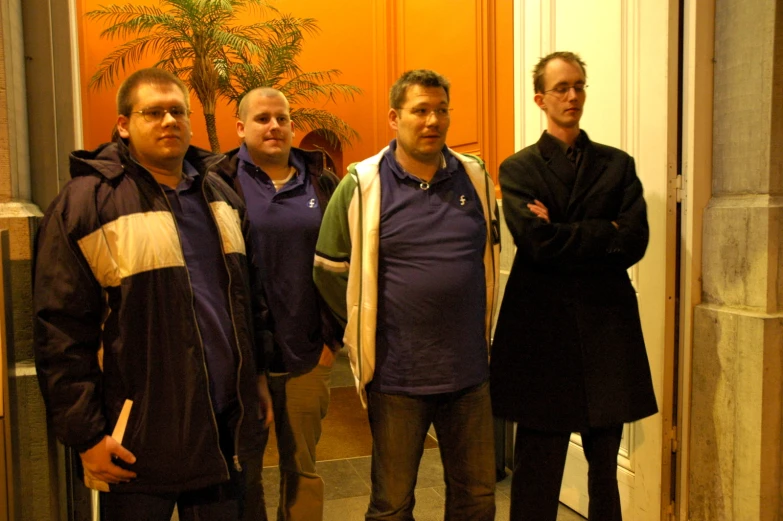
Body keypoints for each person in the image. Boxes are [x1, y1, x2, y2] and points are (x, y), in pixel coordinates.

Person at [33, 67, 273, 521]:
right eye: (153, 112)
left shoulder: (221, 194)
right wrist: (85, 435)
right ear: (124, 124)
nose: (168, 121)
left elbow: (249, 300)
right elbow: (60, 329)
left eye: (177, 112)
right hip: (137, 443)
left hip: (223, 428)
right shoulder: (86, 204)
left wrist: (256, 378)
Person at [313, 69, 500, 521]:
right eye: (421, 110)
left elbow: (487, 255)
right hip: (398, 378)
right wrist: (370, 320)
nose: (433, 120)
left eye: (441, 110)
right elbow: (328, 269)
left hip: (469, 374)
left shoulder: (473, 177)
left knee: (476, 500)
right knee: (392, 504)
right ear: (395, 118)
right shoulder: (362, 184)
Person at [490, 51, 658, 521]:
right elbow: (536, 244)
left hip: (607, 333)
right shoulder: (519, 168)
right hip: (543, 335)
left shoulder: (617, 164)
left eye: (579, 85)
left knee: (604, 471)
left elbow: (636, 240)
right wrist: (604, 228)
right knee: (537, 471)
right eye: (562, 87)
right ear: (541, 98)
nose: (573, 95)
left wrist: (561, 227)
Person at [215, 87, 341, 521]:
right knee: (243, 469)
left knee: (302, 469)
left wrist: (333, 339)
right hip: (242, 360)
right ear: (240, 127)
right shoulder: (218, 182)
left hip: (308, 353)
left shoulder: (322, 181)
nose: (274, 126)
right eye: (262, 118)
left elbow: (346, 263)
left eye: (282, 118)